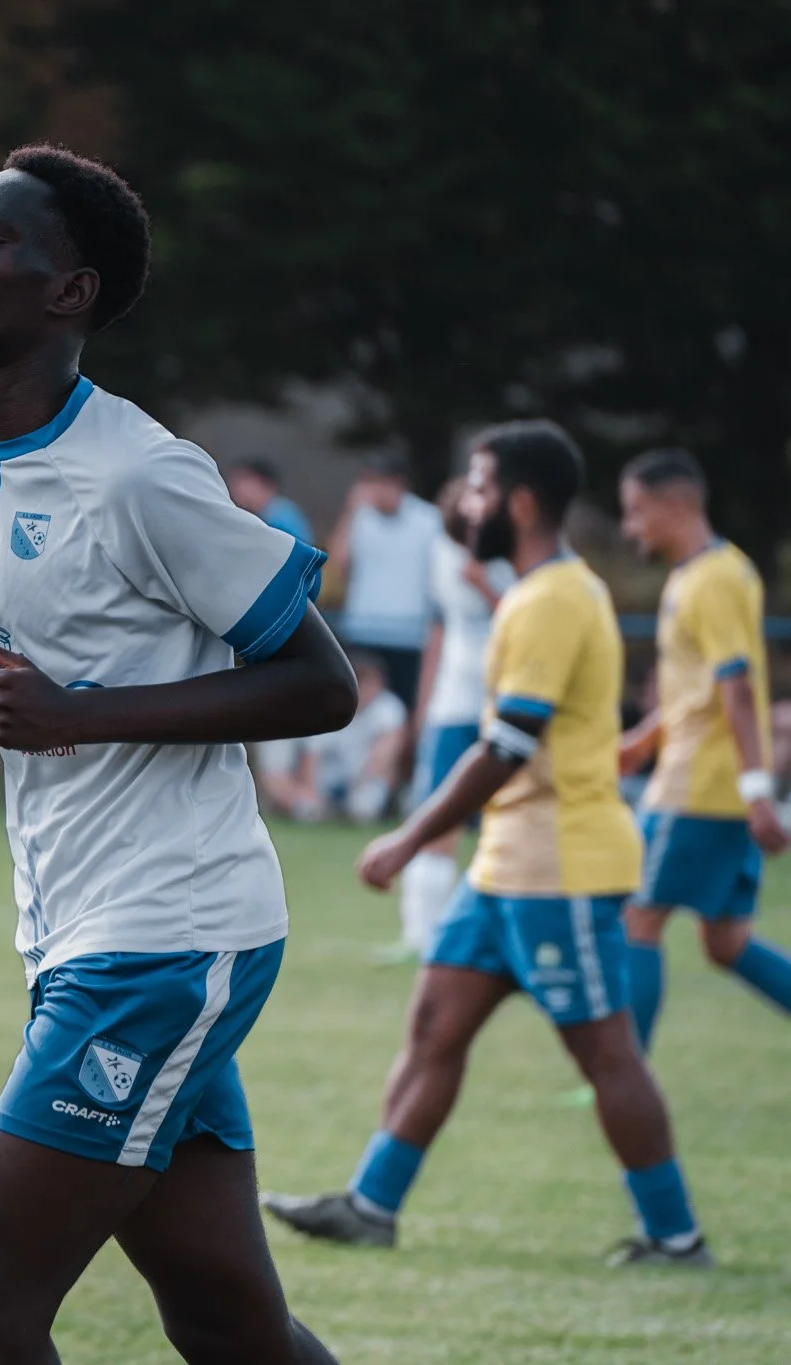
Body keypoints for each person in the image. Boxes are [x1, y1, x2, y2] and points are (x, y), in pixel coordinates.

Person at [0, 142, 353, 1365]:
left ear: (68, 293)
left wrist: (85, 712)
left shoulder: (141, 476)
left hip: (167, 938)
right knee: (231, 1324)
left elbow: (319, 685)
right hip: (74, 935)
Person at [263, 420, 714, 1269]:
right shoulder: (533, 590)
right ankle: (371, 1203)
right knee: (435, 1023)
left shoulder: (550, 598)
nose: (463, 505)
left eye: (474, 487)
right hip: (505, 863)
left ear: (519, 501)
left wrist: (406, 838)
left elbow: (506, 744)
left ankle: (675, 1233)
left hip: (562, 867)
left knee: (604, 1050)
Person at [616, 448, 791, 1051]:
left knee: (637, 919)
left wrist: (757, 789)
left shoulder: (714, 578)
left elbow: (737, 687)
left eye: (637, 512)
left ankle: (623, 1075)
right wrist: (643, 740)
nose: (629, 527)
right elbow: (702, 691)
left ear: (677, 505)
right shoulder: (701, 574)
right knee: (726, 941)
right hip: (709, 781)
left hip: (699, 786)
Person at [397, 476, 516, 956]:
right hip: (454, 704)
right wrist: (424, 707)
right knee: (434, 820)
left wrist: (485, 585)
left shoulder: (515, 558)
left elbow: (528, 618)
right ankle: (420, 938)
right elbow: (440, 631)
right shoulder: (442, 554)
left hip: (508, 704)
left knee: (507, 825)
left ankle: (502, 934)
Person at [329, 452, 440, 712]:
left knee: (405, 709)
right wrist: (350, 512)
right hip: (363, 630)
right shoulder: (360, 517)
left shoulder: (429, 520)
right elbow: (337, 566)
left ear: (398, 483)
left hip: (409, 635)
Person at [255, 651, 407, 823]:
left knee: (365, 806)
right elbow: (311, 757)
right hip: (327, 780)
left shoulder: (388, 708)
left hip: (361, 779)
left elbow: (386, 753)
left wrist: (361, 780)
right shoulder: (330, 704)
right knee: (307, 808)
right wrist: (312, 794)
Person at [225, 458, 316, 545]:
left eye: (242, 481)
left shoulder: (279, 517)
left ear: (262, 483)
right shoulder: (268, 513)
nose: (236, 489)